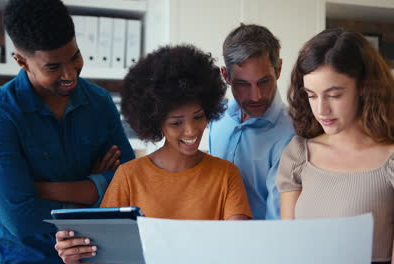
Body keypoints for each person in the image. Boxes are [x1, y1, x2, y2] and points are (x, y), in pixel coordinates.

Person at [54, 44, 253, 263]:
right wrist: (76, 255)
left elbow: (238, 250)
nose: (191, 130)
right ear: (156, 122)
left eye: (198, 117)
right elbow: (104, 255)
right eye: (177, 122)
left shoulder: (226, 175)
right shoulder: (129, 176)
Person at [0, 0, 135, 263]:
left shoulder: (100, 102)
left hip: (95, 252)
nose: (70, 74)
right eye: (53, 67)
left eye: (75, 57)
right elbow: (21, 219)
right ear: (22, 62)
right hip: (27, 256)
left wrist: (46, 190)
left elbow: (129, 184)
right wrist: (94, 189)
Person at [277, 28, 394, 263]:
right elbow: (288, 252)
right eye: (312, 95)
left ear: (364, 88)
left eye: (334, 95)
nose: (321, 110)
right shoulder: (298, 155)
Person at [209, 24, 295, 219]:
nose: (255, 96)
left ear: (279, 69)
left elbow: (278, 222)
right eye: (243, 84)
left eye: (264, 82)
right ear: (225, 76)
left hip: (261, 246)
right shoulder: (216, 117)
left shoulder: (292, 134)